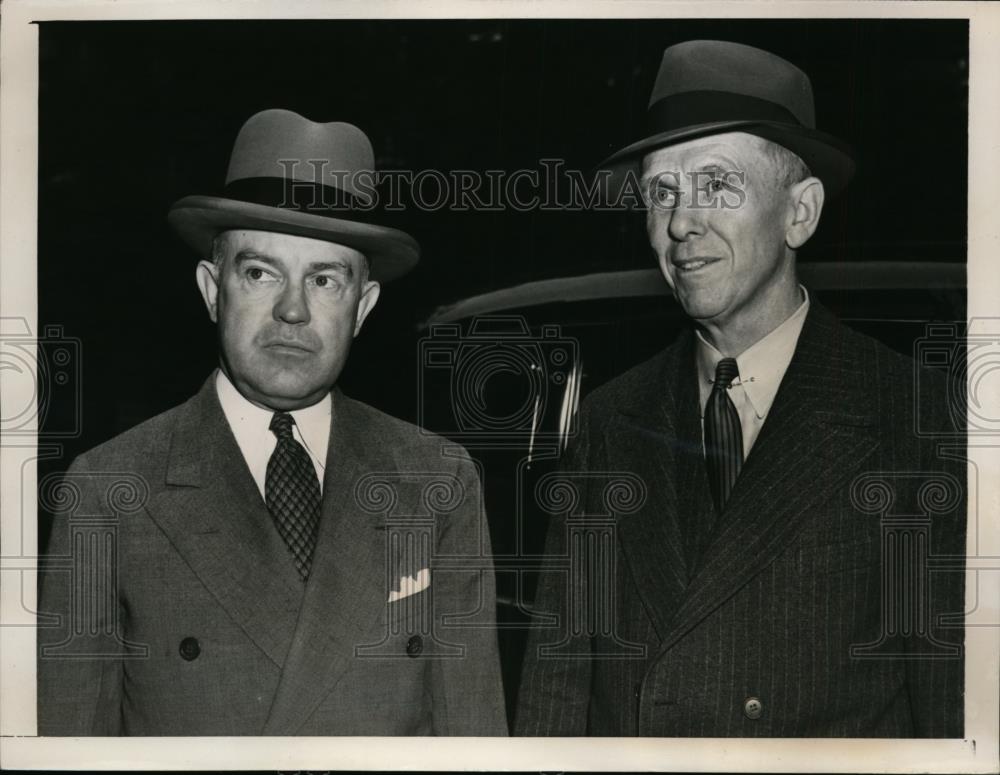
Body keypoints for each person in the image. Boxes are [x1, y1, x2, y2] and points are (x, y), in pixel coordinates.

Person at [515, 40, 965, 737]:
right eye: (661, 191)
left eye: (716, 185)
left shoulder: (917, 417)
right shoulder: (608, 421)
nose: (680, 223)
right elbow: (556, 693)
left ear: (800, 212)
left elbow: (952, 717)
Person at [37, 109, 507, 736]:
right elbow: (70, 747)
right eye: (260, 273)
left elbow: (471, 736)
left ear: (362, 307)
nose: (292, 309)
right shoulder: (110, 491)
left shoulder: (439, 482)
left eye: (325, 279)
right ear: (212, 290)